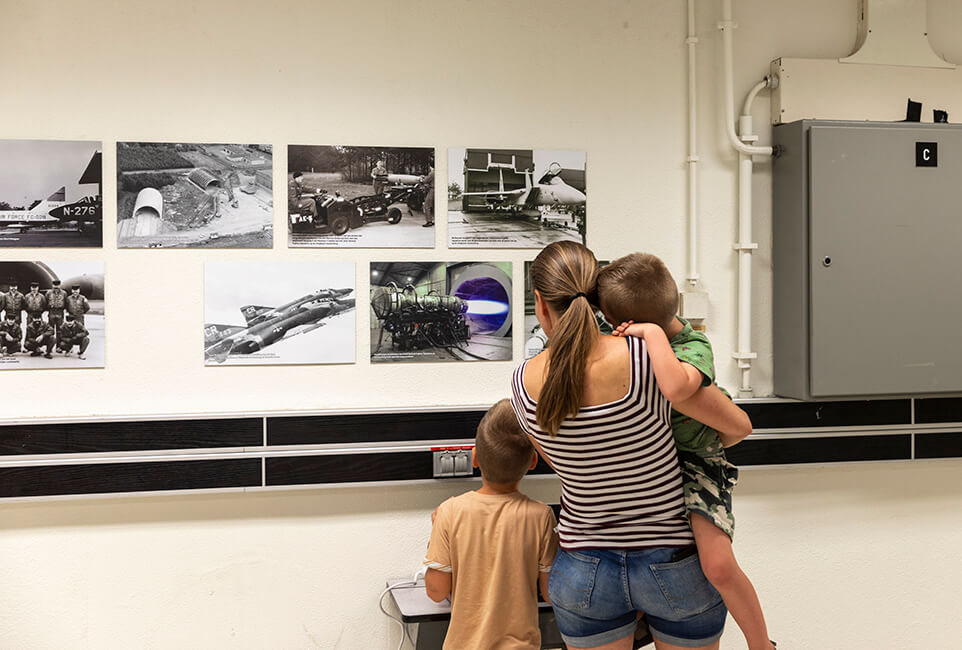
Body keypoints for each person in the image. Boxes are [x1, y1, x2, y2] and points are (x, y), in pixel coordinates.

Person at [510, 241, 753, 650]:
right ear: (598, 300)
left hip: (584, 567)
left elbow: (561, 463)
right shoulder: (648, 359)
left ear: (539, 303)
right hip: (672, 563)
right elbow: (736, 426)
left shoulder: (521, 382)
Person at [598, 252, 773, 650]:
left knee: (717, 565)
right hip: (655, 465)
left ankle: (762, 644)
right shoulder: (628, 342)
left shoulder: (692, 343)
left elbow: (677, 389)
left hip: (698, 463)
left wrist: (655, 335)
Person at [424, 398, 559, 650]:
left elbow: (436, 592)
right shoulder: (541, 516)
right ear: (532, 463)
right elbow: (551, 595)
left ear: (474, 458)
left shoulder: (450, 512)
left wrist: (438, 532)